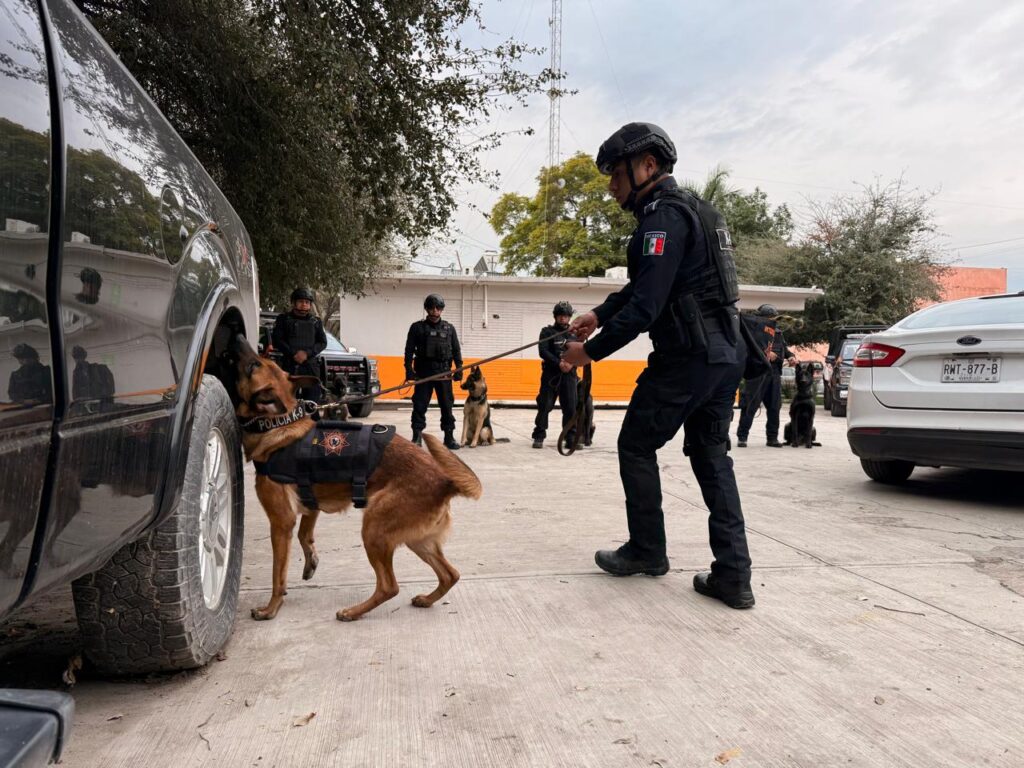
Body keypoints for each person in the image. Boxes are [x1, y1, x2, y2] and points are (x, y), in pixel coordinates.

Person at [561, 122, 755, 609]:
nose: (611, 186)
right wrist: (598, 314)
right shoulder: (699, 210)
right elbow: (645, 287)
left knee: (635, 444)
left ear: (648, 165)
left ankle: (647, 550)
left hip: (686, 358)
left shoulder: (661, 219)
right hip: (725, 355)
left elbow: (647, 307)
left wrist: (590, 352)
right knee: (712, 457)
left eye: (616, 174)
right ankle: (734, 576)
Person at [404, 294, 463, 450]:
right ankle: (417, 437)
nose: (435, 310)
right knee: (419, 406)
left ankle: (449, 437)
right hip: (423, 374)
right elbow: (409, 350)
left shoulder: (449, 329)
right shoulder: (417, 328)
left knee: (447, 406)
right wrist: (408, 370)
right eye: (432, 307)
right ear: (426, 308)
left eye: (438, 307)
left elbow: (456, 350)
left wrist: (459, 368)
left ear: (442, 309)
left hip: (443, 374)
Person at [735, 304, 796, 448]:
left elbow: (783, 348)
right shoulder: (754, 330)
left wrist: (790, 356)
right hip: (758, 373)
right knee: (750, 405)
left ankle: (772, 438)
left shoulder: (777, 332)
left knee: (774, 407)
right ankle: (742, 437)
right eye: (769, 318)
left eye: (773, 318)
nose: (772, 320)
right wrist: (766, 353)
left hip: (774, 374)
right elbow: (750, 347)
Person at [531, 301, 578, 449]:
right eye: (560, 315)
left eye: (565, 316)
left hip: (569, 375)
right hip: (550, 374)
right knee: (545, 405)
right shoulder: (546, 332)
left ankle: (570, 437)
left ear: (569, 317)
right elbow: (543, 351)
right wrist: (559, 363)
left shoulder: (575, 333)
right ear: (555, 316)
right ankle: (539, 435)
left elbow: (582, 351)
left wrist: (571, 363)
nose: (562, 318)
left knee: (570, 407)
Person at [272, 287, 327, 403]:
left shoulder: (316, 321)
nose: (304, 305)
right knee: (287, 403)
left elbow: (322, 342)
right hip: (289, 366)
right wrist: (293, 354)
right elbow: (277, 340)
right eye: (301, 301)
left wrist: (306, 354)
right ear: (294, 303)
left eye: (307, 302)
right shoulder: (283, 319)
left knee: (312, 405)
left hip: (310, 368)